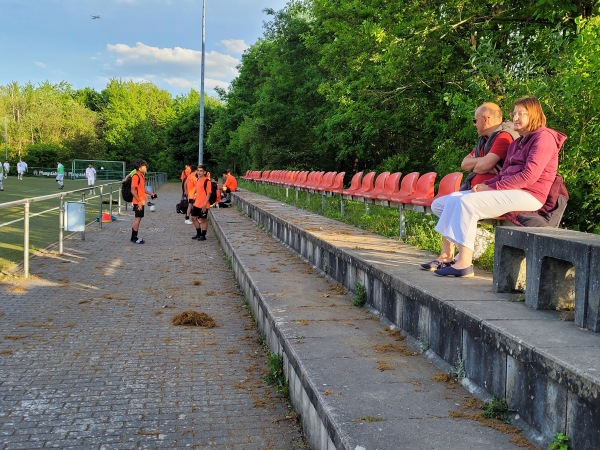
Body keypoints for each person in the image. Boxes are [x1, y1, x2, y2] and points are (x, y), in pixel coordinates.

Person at [425, 96, 566, 278]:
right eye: (514, 113)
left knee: (467, 203)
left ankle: (464, 263)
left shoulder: (543, 138)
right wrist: (486, 184)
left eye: (520, 114)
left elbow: (528, 177)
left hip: (530, 195)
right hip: (511, 191)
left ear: (534, 115)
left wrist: (492, 188)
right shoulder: (517, 142)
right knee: (444, 203)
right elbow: (503, 174)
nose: (515, 118)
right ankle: (449, 254)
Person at [421, 102, 514, 272]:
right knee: (440, 204)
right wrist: (480, 163)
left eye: (475, 120)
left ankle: (460, 259)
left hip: (493, 192)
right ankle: (447, 255)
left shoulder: (503, 138)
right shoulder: (484, 141)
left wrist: (479, 164)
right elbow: (465, 163)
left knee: (458, 203)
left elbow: (484, 166)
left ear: (486, 119)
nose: (474, 124)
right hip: (475, 190)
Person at [130, 159, 157, 244]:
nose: (146, 168)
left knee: (139, 219)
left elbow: (142, 189)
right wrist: (138, 201)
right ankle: (134, 238)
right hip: (138, 202)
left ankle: (134, 236)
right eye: (144, 166)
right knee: (137, 219)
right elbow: (132, 190)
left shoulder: (141, 176)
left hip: (141, 201)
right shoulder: (136, 176)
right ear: (139, 168)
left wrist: (151, 194)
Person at [191, 165, 212, 241]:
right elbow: (197, 189)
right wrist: (193, 195)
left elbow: (209, 193)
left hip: (204, 204)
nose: (199, 172)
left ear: (204, 172)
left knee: (203, 219)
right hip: (197, 203)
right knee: (193, 218)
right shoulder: (198, 180)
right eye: (198, 170)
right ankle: (198, 233)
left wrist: (205, 204)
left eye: (201, 171)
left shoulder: (207, 181)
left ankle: (203, 235)